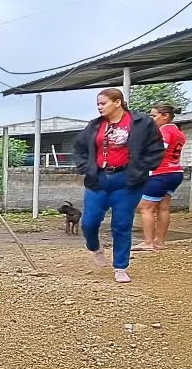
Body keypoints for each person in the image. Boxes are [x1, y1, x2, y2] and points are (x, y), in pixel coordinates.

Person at [70, 87, 165, 284]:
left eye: (103, 103)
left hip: (127, 181)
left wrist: (141, 168)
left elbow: (156, 148)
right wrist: (86, 167)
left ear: (117, 102)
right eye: (97, 104)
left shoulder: (141, 122)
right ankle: (94, 248)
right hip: (98, 179)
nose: (99, 107)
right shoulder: (95, 125)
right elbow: (79, 148)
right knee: (88, 222)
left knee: (121, 224)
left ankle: (120, 267)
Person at [134, 103, 186, 252]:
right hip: (175, 171)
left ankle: (148, 242)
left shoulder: (163, 130)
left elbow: (159, 150)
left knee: (145, 207)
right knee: (163, 207)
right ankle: (160, 241)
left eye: (154, 116)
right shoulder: (179, 132)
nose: (151, 119)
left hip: (161, 173)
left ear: (165, 116)